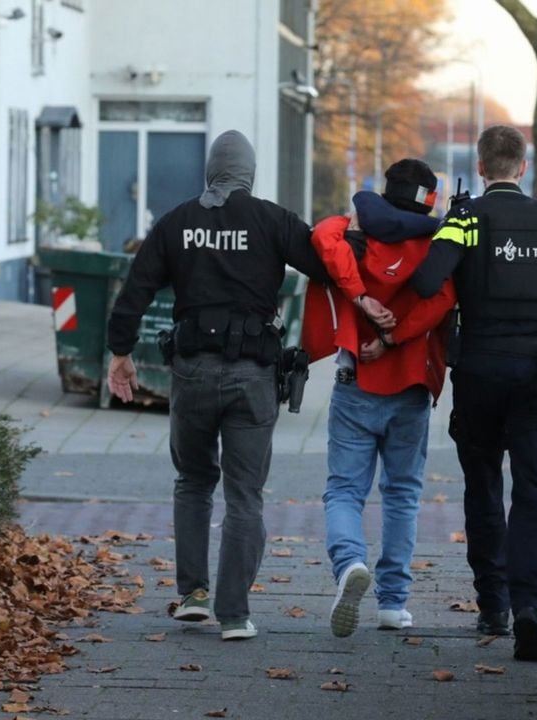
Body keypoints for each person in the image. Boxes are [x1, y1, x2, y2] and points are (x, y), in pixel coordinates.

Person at [104, 130, 358, 642]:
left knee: (193, 481)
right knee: (245, 495)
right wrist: (351, 229)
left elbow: (136, 288)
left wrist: (121, 353)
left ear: (211, 170)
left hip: (192, 373)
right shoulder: (273, 220)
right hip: (253, 375)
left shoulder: (176, 222)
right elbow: (326, 263)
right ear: (249, 173)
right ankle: (235, 614)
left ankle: (193, 596)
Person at [408, 125, 537, 662]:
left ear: (480, 167)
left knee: (483, 488)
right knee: (536, 493)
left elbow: (425, 283)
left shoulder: (467, 220)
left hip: (477, 374)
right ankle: (530, 609)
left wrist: (450, 231)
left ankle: (493, 604)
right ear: (523, 167)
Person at [301, 159, 457, 638]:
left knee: (344, 490)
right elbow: (442, 299)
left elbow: (321, 237)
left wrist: (360, 297)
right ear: (428, 201)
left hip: (356, 382)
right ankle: (393, 602)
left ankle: (350, 562)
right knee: (403, 493)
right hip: (411, 384)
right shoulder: (436, 244)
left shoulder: (355, 231)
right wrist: (395, 338)